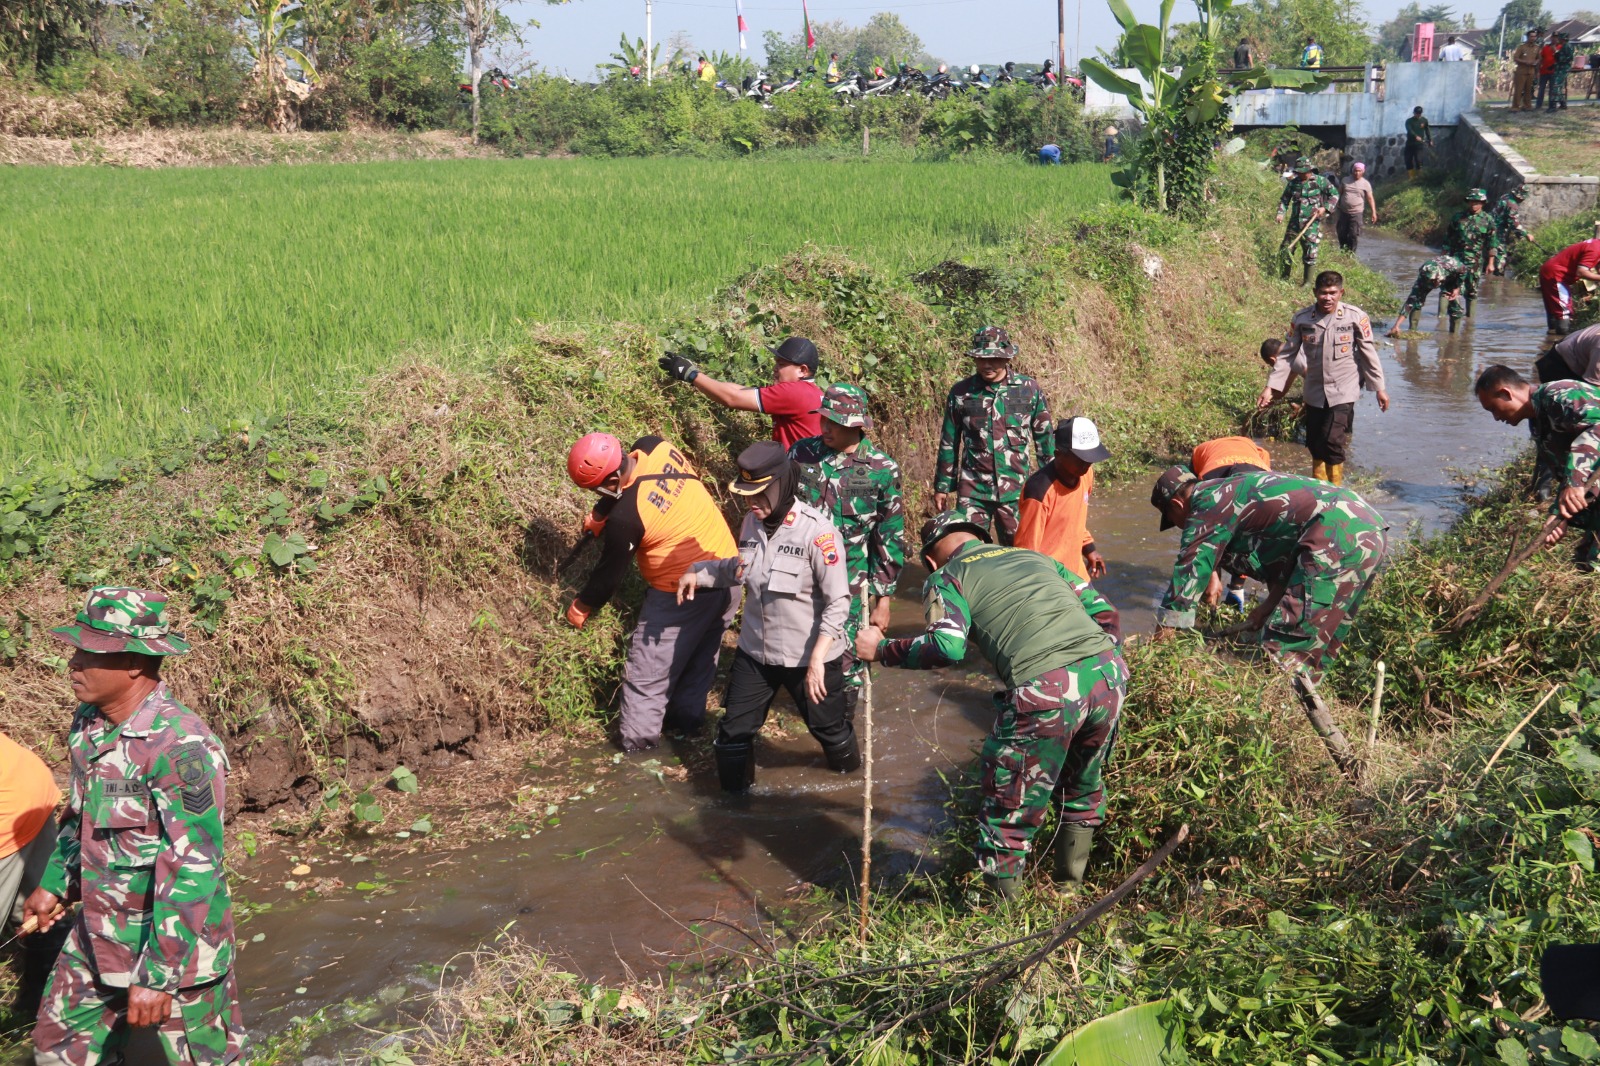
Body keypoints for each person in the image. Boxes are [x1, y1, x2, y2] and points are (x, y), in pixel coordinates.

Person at [24, 588, 242, 1066]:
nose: (73, 664)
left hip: (173, 947)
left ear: (134, 664)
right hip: (98, 932)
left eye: (89, 653)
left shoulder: (180, 746)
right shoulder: (89, 724)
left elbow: (195, 866)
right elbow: (79, 816)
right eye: (75, 650)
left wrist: (158, 977)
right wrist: (56, 883)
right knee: (56, 1051)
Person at [854, 512, 1125, 897]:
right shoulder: (1035, 558)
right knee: (1081, 789)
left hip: (1045, 688)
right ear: (981, 539)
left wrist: (881, 650)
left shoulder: (946, 577)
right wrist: (1100, 663)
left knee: (1008, 810)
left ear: (931, 559)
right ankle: (1068, 892)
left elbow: (946, 646)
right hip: (1108, 675)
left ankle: (1003, 922)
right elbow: (1106, 613)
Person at [679, 442, 856, 792]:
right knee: (733, 731)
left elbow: (839, 601)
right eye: (747, 495)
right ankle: (732, 808)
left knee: (829, 729)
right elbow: (740, 568)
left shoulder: (818, 534)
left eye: (759, 494)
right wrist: (698, 573)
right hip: (756, 652)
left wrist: (819, 659)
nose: (751, 503)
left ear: (781, 486)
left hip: (809, 657)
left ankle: (851, 787)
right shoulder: (751, 522)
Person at [563, 432, 739, 751]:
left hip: (682, 593)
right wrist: (601, 513)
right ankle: (685, 729)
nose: (597, 494)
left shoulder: (627, 519)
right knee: (700, 657)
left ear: (614, 477)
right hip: (729, 571)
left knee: (647, 677)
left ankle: (638, 752)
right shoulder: (654, 446)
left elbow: (608, 576)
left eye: (597, 489)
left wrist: (581, 606)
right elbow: (628, 485)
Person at [1150, 467, 1388, 687]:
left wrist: (1163, 640)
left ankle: (1283, 713)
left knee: (1284, 646)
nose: (1181, 529)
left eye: (1174, 522)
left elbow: (1191, 567)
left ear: (1177, 504)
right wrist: (1265, 609)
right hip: (1368, 529)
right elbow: (1288, 564)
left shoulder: (1206, 503)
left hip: (1337, 534)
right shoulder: (1231, 489)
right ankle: (1309, 708)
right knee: (1320, 641)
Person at [789, 383, 905, 716]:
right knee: (801, 644)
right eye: (823, 419)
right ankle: (811, 707)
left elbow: (889, 536)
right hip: (801, 573)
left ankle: (842, 727)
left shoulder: (881, 470)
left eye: (834, 423)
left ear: (856, 425)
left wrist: (883, 599)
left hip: (851, 582)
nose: (824, 427)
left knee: (847, 660)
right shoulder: (801, 454)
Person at [1258, 270, 1388, 486]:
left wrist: (1379, 388)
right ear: (1315, 292)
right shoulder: (1301, 320)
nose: (1328, 298)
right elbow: (1287, 354)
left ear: (1341, 292)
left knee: (1332, 440)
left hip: (1344, 388)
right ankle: (1319, 487)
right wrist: (1270, 388)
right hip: (1315, 391)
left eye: (1333, 293)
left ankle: (1336, 491)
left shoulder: (1356, 317)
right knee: (1315, 442)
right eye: (1323, 293)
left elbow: (1368, 353)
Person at [934, 326, 1054, 546]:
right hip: (973, 491)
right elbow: (949, 442)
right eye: (981, 359)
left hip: (1016, 490)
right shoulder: (962, 392)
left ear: (1006, 357)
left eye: (993, 358)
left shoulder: (1028, 389)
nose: (986, 365)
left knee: (1019, 552)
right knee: (969, 552)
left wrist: (1052, 485)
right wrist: (942, 486)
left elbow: (1044, 439)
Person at [1476, 364, 1600, 568]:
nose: (1496, 417)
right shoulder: (1539, 421)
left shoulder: (1560, 394)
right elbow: (1569, 469)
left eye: (1492, 408)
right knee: (1585, 561)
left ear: (1506, 393)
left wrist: (1574, 483)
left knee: (1594, 563)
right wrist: (1558, 514)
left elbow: (1597, 428)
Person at [659, 336, 824, 449]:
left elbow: (732, 398)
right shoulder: (810, 392)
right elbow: (740, 390)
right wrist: (698, 375)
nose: (775, 368)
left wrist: (692, 375)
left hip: (801, 482)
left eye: (781, 364)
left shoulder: (795, 392)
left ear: (802, 370)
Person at [1, 731, 62, 1019]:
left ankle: (45, 1006)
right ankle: (40, 1007)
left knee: (40, 910)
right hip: (27, 779)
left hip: (10, 802)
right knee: (33, 907)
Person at [1016, 417, 1112, 582]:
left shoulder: (1086, 474)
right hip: (1051, 580)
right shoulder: (1039, 492)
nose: (1087, 464)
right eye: (1081, 459)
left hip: (1077, 575)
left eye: (1090, 458)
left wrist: (1089, 548)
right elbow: (1027, 553)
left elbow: (1075, 520)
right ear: (1058, 454)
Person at [1443, 188, 1501, 320]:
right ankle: (1444, 318)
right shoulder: (1458, 217)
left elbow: (1492, 243)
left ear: (1483, 203)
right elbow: (1448, 238)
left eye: (1477, 202)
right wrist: (1443, 258)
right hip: (1456, 258)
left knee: (1472, 290)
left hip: (1475, 261)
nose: (1474, 204)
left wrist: (1491, 263)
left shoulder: (1488, 220)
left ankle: (1470, 320)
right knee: (1450, 287)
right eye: (1471, 201)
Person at [1277, 160, 1337, 285]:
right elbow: (1284, 199)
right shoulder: (1293, 183)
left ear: (1308, 171)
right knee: (1286, 248)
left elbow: (1334, 195)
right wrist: (1281, 213)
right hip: (1295, 222)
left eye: (1302, 172)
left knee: (1310, 251)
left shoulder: (1321, 181)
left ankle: (1307, 283)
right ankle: (1284, 278)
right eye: (1298, 172)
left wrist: (1324, 208)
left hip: (1312, 223)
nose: (1299, 174)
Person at [1387, 254, 1470, 334]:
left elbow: (1464, 270)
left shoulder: (1453, 265)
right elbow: (1409, 303)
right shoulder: (1423, 278)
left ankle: (1454, 335)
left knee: (1455, 307)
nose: (1434, 284)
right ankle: (1412, 330)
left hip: (1451, 278)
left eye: (1435, 281)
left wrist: (1457, 287)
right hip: (1433, 277)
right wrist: (1396, 325)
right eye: (1431, 281)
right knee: (1416, 302)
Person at [1539, 238, 1600, 333]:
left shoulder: (1596, 243)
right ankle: (1560, 341)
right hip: (1556, 275)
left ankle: (1551, 338)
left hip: (1551, 271)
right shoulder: (1595, 249)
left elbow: (1596, 262)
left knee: (1554, 309)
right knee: (1564, 312)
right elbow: (1581, 272)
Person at [1335, 162, 1377, 253]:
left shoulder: (1365, 184)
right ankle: (1343, 251)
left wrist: (1373, 212)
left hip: (1356, 213)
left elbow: (1370, 198)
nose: (1357, 173)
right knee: (1342, 233)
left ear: (1363, 171)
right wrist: (1336, 203)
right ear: (1352, 171)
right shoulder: (1345, 180)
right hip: (1343, 211)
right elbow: (1339, 192)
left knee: (1353, 234)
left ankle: (1351, 253)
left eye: (1359, 171)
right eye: (1355, 171)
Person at [1491, 186, 1534, 273]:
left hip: (1490, 224)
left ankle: (1488, 268)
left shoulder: (1505, 196)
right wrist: (1526, 234)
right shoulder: (1512, 205)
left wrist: (1518, 234)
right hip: (1497, 229)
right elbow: (1514, 223)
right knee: (1500, 253)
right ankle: (1497, 275)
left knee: (1490, 248)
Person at [1512, 29, 1542, 111]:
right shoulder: (1522, 47)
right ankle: (1515, 106)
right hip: (1521, 71)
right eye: (1531, 36)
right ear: (1528, 37)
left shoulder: (1537, 48)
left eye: (1534, 36)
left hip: (1531, 71)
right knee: (1519, 89)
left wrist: (1536, 62)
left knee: (1528, 90)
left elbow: (1539, 58)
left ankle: (1527, 105)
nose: (1533, 38)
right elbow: (1515, 58)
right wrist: (1525, 62)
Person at [1404, 106, 1432, 179]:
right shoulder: (1409, 121)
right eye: (1416, 113)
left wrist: (1430, 140)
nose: (1417, 115)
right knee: (1408, 160)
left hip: (1419, 145)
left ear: (1421, 113)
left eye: (1419, 114)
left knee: (1419, 160)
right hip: (1410, 144)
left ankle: (1420, 177)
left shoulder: (1424, 120)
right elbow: (1409, 130)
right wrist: (1415, 136)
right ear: (1414, 113)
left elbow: (1427, 130)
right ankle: (1412, 178)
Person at [1550, 31, 1575, 111]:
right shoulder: (1565, 46)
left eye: (1559, 38)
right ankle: (1563, 104)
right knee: (1559, 87)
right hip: (1560, 68)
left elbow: (1566, 58)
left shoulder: (1567, 46)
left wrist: (1556, 52)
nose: (1558, 39)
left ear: (1562, 39)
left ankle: (1553, 106)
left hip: (1562, 69)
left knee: (1556, 86)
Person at [1537, 34, 1556, 109]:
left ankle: (1551, 105)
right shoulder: (1545, 48)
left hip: (1553, 71)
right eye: (1553, 38)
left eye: (1556, 38)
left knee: (1552, 89)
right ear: (1551, 38)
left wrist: (1555, 51)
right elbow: (1540, 59)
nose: (1554, 39)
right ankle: (1538, 105)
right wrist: (1538, 70)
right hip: (1544, 71)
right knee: (1541, 89)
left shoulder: (1559, 47)